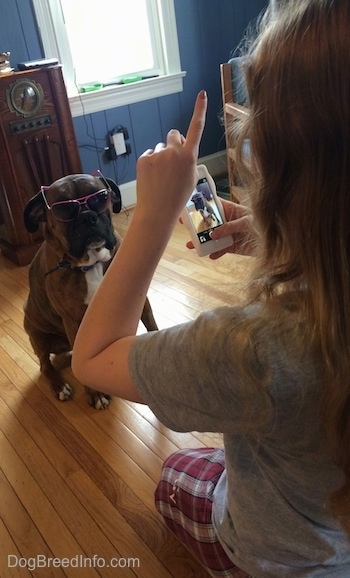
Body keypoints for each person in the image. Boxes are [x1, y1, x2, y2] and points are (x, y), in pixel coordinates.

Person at [72, 0, 350, 575]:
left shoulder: (255, 351)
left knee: (175, 474)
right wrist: (270, 232)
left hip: (273, 555)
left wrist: (150, 218)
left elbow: (92, 357)